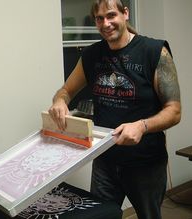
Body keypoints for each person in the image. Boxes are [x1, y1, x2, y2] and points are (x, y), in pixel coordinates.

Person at [48, 0, 181, 218]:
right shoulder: (91, 55)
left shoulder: (155, 51)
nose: (106, 23)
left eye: (111, 15)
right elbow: (65, 90)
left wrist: (142, 126)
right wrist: (60, 101)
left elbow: (174, 110)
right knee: (101, 215)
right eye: (99, 19)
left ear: (125, 13)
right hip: (105, 160)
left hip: (146, 162)